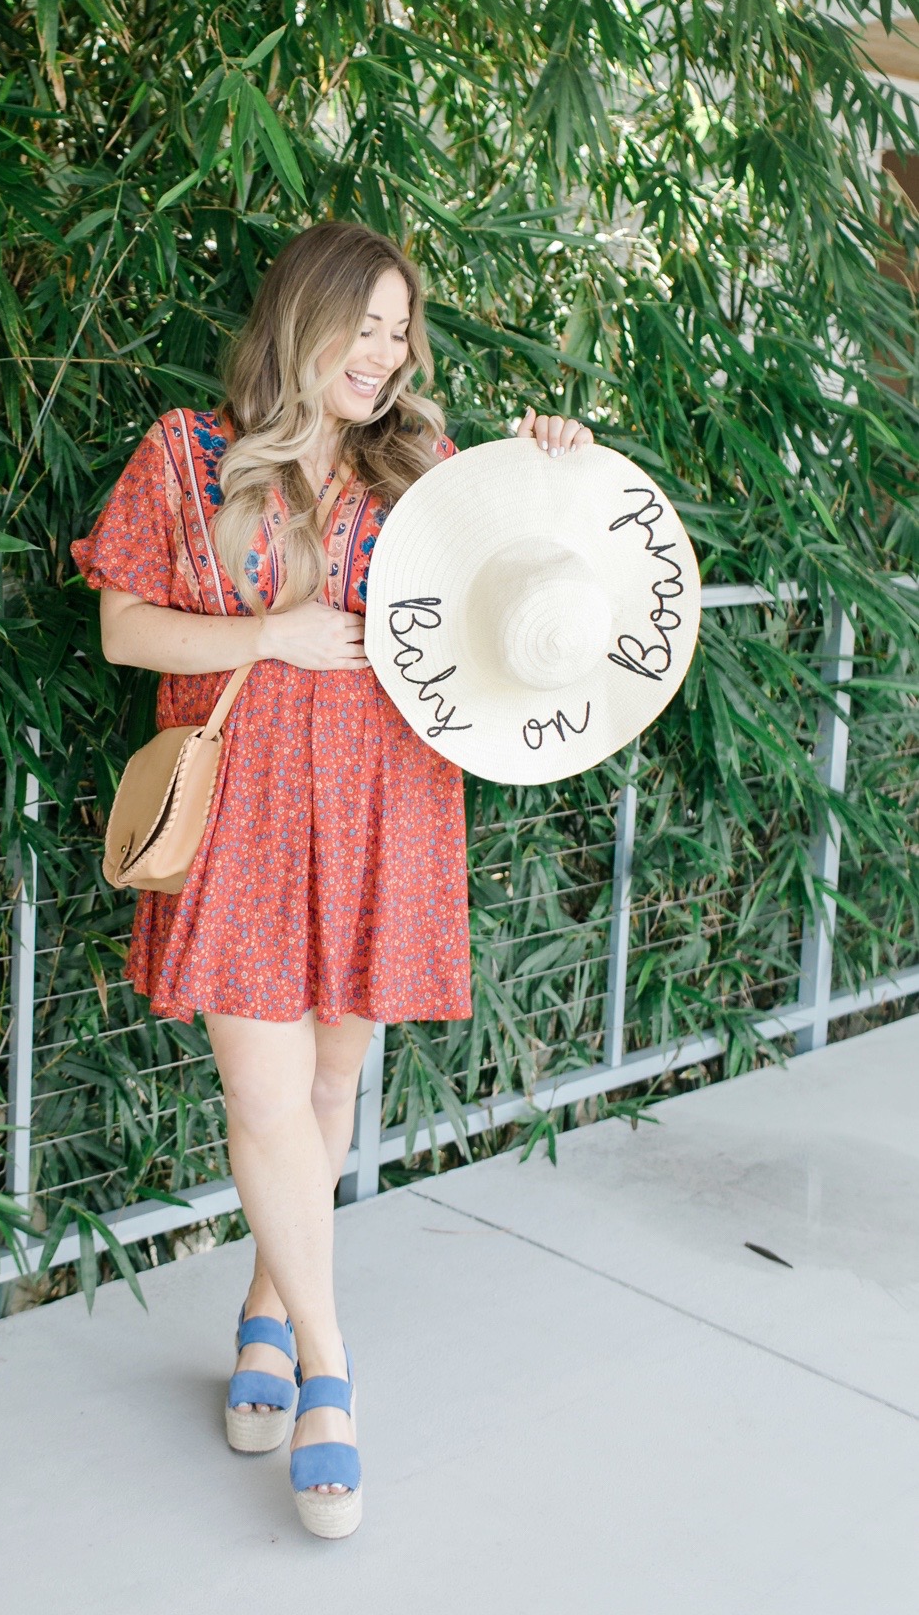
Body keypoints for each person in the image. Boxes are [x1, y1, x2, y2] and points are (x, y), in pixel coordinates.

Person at [72, 221, 593, 1538]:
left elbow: (537, 574)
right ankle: (325, 1374)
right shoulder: (188, 454)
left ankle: (262, 1311)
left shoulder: (422, 465)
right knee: (262, 1092)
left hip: (382, 798)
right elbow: (121, 625)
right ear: (297, 321)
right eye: (361, 324)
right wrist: (271, 634)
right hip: (244, 799)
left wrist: (550, 470)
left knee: (324, 1084)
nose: (384, 351)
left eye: (397, 329)